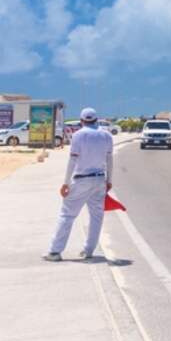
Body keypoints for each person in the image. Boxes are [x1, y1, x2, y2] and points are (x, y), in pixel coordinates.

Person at [43, 107, 113, 262]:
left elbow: (73, 160)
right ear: (96, 119)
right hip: (100, 179)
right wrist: (109, 181)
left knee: (67, 215)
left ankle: (55, 251)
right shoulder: (106, 135)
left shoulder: (78, 135)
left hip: (81, 179)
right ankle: (88, 250)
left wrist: (65, 183)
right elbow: (109, 159)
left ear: (82, 121)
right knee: (96, 217)